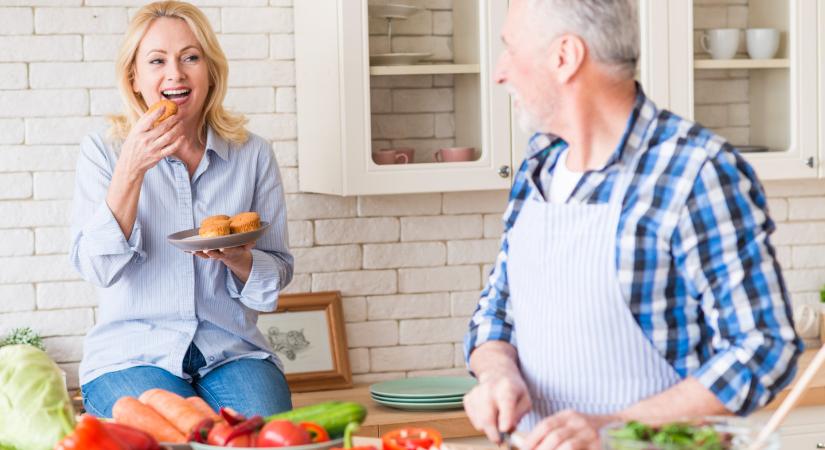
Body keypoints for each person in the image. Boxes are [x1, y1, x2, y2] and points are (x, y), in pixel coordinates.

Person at [463, 1, 803, 448]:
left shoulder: (693, 170)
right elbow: (497, 312)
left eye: (510, 49)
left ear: (565, 56)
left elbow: (763, 350)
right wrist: (496, 374)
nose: (500, 72)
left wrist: (614, 425)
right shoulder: (537, 166)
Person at [70, 1, 294, 418]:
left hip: (232, 350)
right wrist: (131, 169)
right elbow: (97, 269)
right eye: (157, 61)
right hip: (131, 354)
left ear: (210, 71)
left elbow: (276, 276)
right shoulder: (104, 151)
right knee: (178, 436)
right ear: (135, 78)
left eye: (190, 57)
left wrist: (241, 259)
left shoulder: (253, 154)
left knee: (265, 439)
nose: (175, 73)